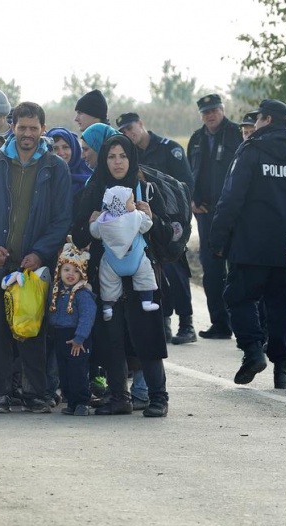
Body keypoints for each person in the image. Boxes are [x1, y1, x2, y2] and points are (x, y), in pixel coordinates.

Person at [0, 101, 72, 413]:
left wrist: (40, 253)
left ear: (42, 129)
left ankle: (35, 393)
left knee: (33, 331)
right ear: (12, 127)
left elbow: (61, 219)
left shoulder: (56, 168)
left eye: (33, 128)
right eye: (22, 127)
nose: (27, 133)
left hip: (32, 269)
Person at [71, 134, 171, 417]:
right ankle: (119, 397)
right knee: (111, 339)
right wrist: (91, 222)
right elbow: (78, 235)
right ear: (104, 160)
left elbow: (165, 234)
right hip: (107, 278)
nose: (117, 162)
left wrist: (151, 217)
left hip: (143, 279)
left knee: (148, 338)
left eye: (123, 156)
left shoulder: (145, 189)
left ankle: (158, 397)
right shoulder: (94, 190)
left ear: (131, 159)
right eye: (111, 156)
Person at [210, 99, 286, 389]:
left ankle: (253, 351)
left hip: (249, 245)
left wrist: (218, 238)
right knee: (282, 305)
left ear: (265, 119)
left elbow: (231, 198)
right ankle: (284, 370)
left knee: (239, 298)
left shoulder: (251, 150)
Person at [117, 111, 197, 345]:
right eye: (123, 131)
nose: (128, 134)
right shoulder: (129, 154)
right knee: (156, 272)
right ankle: (165, 321)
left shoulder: (168, 148)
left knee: (176, 269)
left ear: (141, 125)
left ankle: (187, 322)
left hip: (171, 219)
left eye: (131, 128)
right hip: (143, 219)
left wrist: (178, 221)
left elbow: (186, 184)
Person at [188, 93, 242, 339]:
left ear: (223, 110)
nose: (210, 115)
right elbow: (188, 174)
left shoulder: (236, 134)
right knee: (211, 271)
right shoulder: (197, 139)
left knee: (238, 270)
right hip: (206, 213)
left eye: (214, 110)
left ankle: (242, 324)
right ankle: (220, 323)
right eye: (206, 112)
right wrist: (191, 199)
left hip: (233, 214)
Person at [90, 186, 160, 320]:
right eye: (131, 201)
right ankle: (147, 300)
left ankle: (108, 307)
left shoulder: (103, 220)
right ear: (122, 203)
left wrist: (92, 222)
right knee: (145, 273)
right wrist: (148, 215)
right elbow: (147, 226)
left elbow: (95, 232)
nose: (134, 204)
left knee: (107, 282)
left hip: (112, 262)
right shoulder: (135, 216)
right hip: (136, 260)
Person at [47, 237, 97, 417]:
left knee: (78, 371)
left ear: (82, 273)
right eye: (66, 269)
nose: (70, 274)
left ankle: (82, 401)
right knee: (64, 371)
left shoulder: (83, 294)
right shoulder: (56, 291)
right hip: (60, 335)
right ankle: (71, 401)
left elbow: (87, 316)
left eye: (76, 271)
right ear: (59, 270)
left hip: (77, 338)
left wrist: (79, 338)